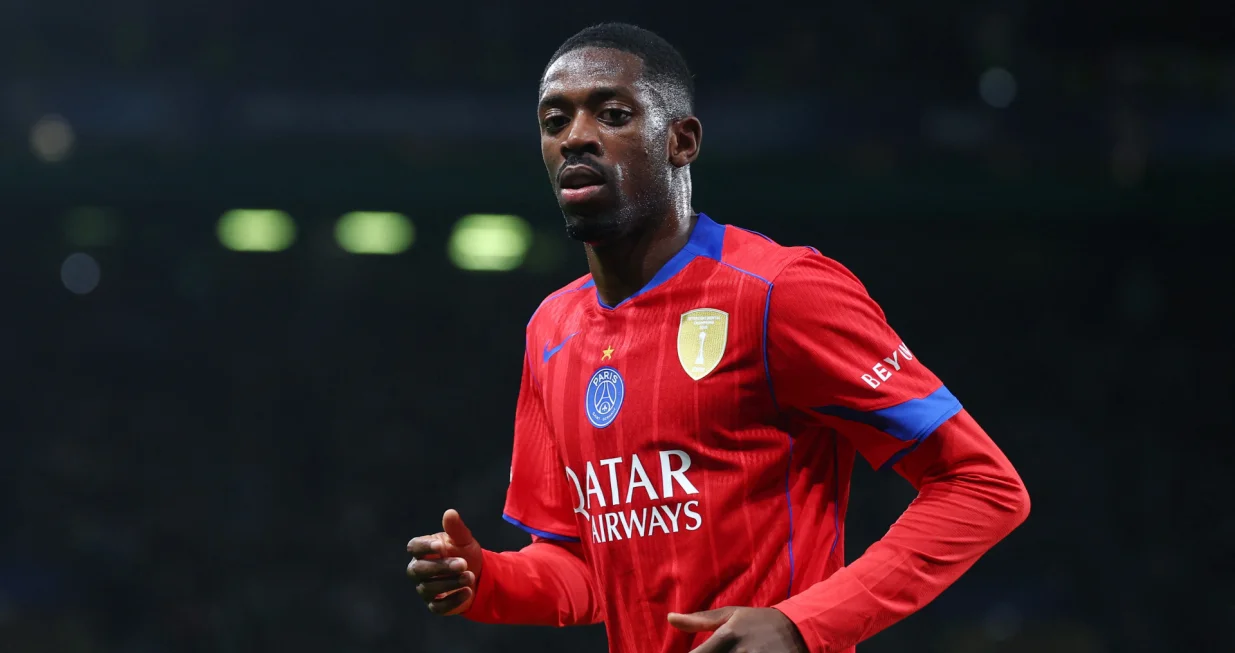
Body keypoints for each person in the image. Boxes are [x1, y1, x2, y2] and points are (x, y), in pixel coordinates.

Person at [407, 22, 1030, 653]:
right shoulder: (551, 330)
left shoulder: (780, 290)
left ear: (681, 141)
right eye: (554, 121)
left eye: (613, 115)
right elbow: (588, 567)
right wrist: (488, 581)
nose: (576, 137)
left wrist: (802, 623)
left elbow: (981, 485)